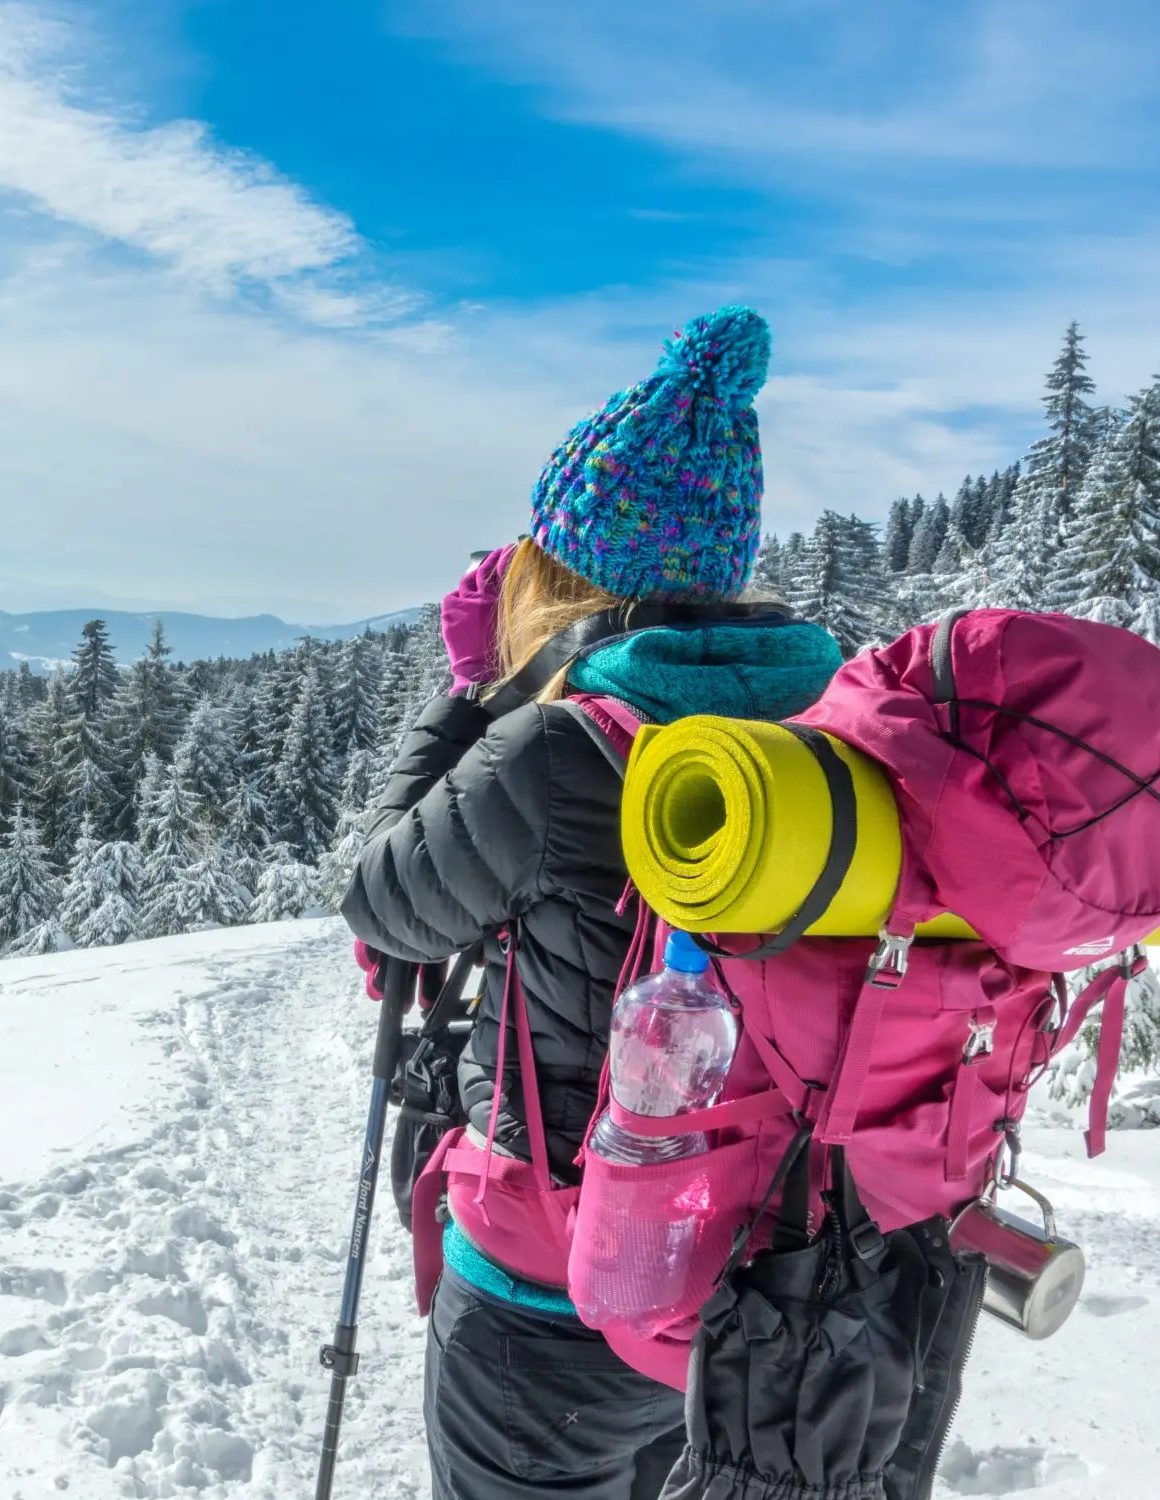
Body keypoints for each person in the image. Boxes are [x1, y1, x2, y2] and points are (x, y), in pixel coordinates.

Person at [343, 307, 847, 1500]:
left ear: (561, 570)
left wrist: (474, 692)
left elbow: (384, 898)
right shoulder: (823, 729)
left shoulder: (558, 750)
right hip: (742, 1280)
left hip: (553, 1294)